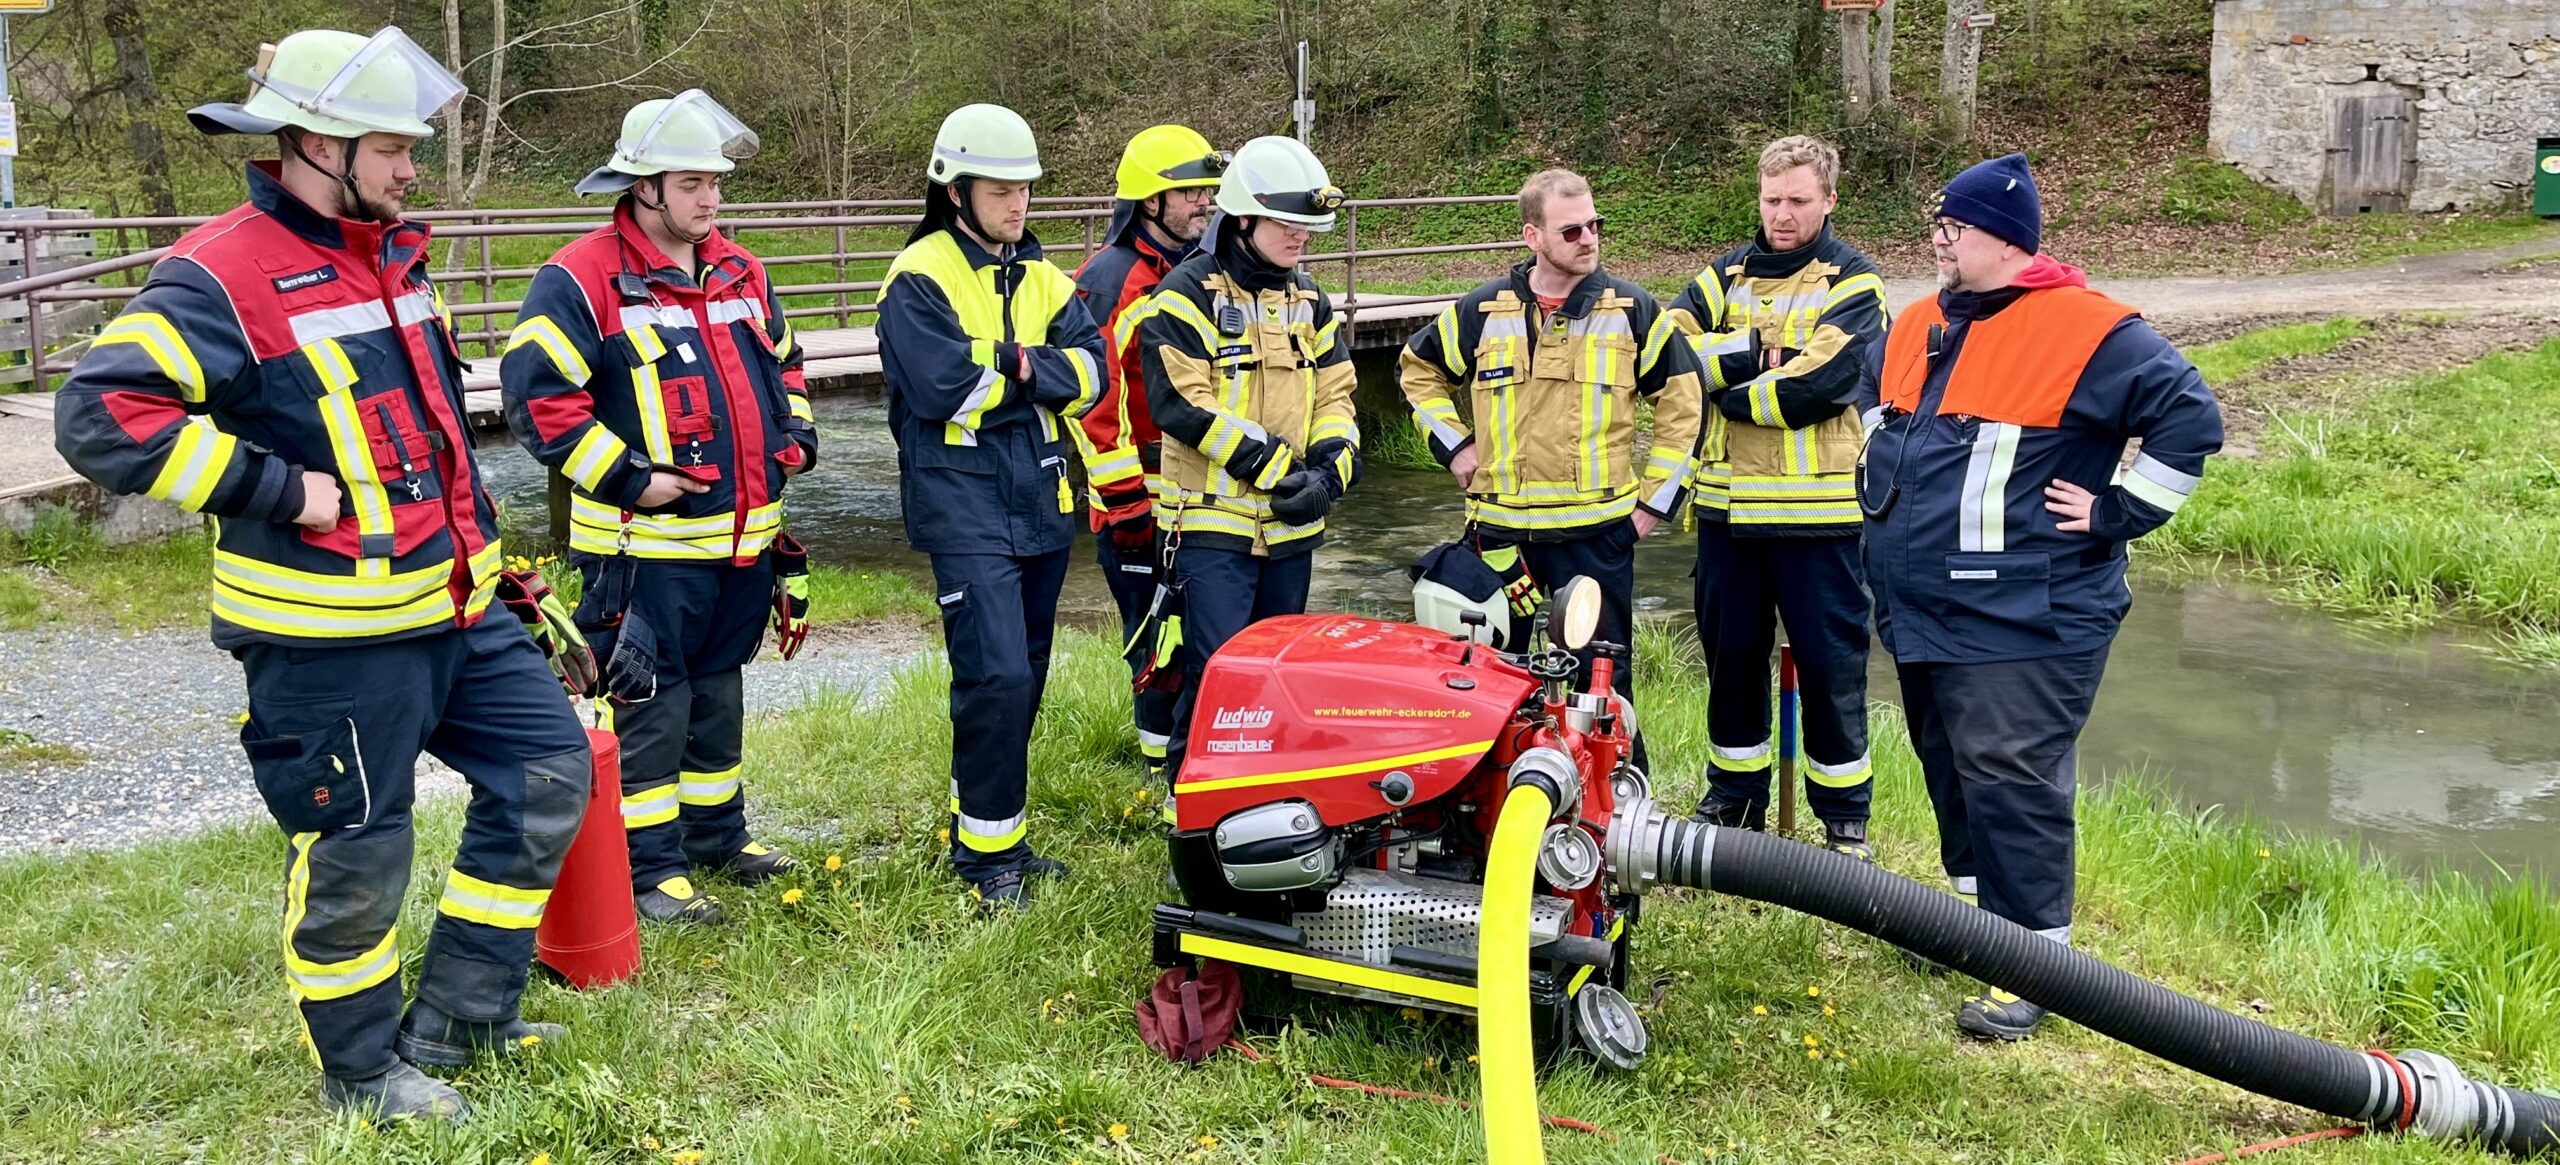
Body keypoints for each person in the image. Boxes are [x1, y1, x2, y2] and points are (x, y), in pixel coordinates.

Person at [53, 27, 592, 1122]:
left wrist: (497, 571)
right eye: (391, 149)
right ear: (313, 145)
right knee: (359, 848)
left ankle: (461, 1018)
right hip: (328, 635)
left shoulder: (392, 255)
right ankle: (361, 1072)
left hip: (456, 609)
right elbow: (100, 414)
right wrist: (274, 488)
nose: (410, 169)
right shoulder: (220, 271)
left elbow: (429, 441)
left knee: (548, 771)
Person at [1856, 153, 2223, 1040]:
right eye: (1936, 226)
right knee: (1952, 769)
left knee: (2011, 779)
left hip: (2028, 614)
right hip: (1922, 607)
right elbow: (1873, 395)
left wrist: (2115, 512)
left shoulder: (2090, 331)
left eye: (1955, 228)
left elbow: (2191, 419)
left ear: (2007, 239)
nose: (1939, 241)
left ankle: (2033, 968)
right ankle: (1975, 932)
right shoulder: (1920, 321)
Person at [501, 89, 815, 925]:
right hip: (642, 553)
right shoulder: (580, 279)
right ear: (642, 187)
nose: (711, 200)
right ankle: (650, 869)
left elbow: (787, 363)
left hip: (742, 544)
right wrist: (630, 479)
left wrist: (798, 436)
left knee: (717, 695)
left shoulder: (742, 269)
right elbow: (537, 399)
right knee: (650, 703)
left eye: (715, 182)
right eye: (691, 184)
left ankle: (717, 836)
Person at [875, 104, 1106, 911]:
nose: (1018, 204)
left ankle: (985, 826)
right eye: (1001, 190)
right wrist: (1034, 370)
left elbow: (1094, 374)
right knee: (996, 674)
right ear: (956, 190)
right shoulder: (919, 276)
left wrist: (1011, 369)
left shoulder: (1044, 276)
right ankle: (986, 860)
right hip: (961, 501)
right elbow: (943, 387)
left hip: (1040, 497)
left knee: (1025, 674)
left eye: (1025, 189)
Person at [1398, 168, 1704, 729]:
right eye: (1571, 230)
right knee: (1485, 683)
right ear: (1532, 236)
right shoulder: (1482, 310)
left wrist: (1651, 508)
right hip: (1498, 538)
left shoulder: (1633, 311)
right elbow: (1417, 372)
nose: (1589, 239)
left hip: (1595, 538)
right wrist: (1456, 446)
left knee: (1600, 690)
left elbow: (1686, 407)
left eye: (1594, 225)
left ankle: (1617, 785)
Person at [1661, 136, 1891, 859]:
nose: (1782, 214)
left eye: (1797, 200)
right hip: (1726, 515)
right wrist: (1758, 357)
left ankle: (1844, 816)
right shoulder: (1721, 275)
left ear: (1829, 199)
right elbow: (1667, 356)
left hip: (1817, 519)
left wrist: (1724, 386)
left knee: (1830, 667)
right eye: (1771, 200)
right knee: (1731, 661)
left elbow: (1821, 386)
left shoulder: (1854, 281)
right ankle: (1734, 800)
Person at [1123, 135, 1360, 802]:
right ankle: (1190, 798)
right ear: (1245, 217)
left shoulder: (1309, 300)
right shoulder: (1183, 296)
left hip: (1291, 526)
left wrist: (1330, 473)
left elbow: (1337, 395)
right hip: (1211, 526)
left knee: (1277, 672)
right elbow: (1182, 405)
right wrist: (1278, 468)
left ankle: (1260, 799)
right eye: (1288, 223)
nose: (1301, 237)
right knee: (1215, 669)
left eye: (1308, 226)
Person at [1071, 125, 1223, 794]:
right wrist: (1125, 499)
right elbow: (1093, 398)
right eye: (1190, 192)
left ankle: (1196, 761)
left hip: (1197, 497)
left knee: (1202, 636)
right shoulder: (1111, 280)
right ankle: (1160, 773)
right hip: (1138, 503)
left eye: (1208, 191)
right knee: (1158, 640)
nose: (1204, 202)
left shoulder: (1198, 271)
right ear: (1150, 201)